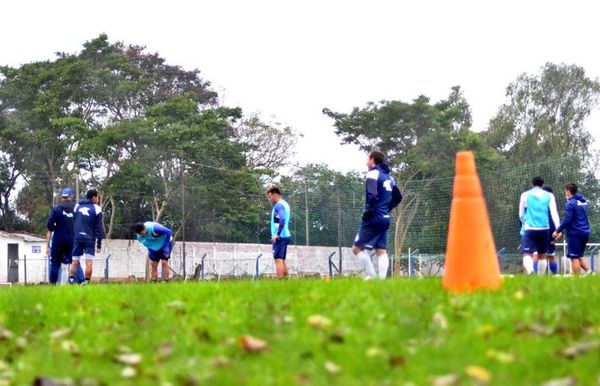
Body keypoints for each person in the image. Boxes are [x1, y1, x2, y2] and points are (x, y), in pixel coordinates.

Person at [352, 150, 402, 279]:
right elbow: (398, 197)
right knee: (381, 251)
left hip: (373, 217)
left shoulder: (372, 174)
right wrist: (386, 209)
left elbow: (372, 195)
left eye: (367, 159)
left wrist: (368, 212)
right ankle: (381, 281)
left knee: (356, 249)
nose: (366, 162)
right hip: (385, 218)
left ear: (372, 160)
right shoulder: (390, 178)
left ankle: (373, 278)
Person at [519, 177, 560, 275]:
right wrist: (558, 228)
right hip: (544, 228)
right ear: (542, 185)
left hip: (529, 228)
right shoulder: (549, 195)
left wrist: (524, 223)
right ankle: (541, 278)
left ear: (532, 184)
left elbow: (521, 214)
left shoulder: (525, 195)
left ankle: (531, 271)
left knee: (527, 253)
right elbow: (554, 213)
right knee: (542, 254)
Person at [45, 188, 83, 284]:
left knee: (55, 263)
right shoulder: (76, 209)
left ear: (62, 196)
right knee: (75, 262)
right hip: (72, 240)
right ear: (71, 196)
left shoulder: (56, 209)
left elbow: (49, 225)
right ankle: (82, 282)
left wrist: (56, 228)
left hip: (58, 239)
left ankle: (52, 284)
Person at [553, 183, 591, 275]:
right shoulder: (583, 201)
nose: (565, 193)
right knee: (578, 256)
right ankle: (590, 273)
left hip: (575, 233)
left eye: (565, 191)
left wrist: (558, 230)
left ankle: (576, 280)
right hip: (585, 232)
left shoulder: (571, 203)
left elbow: (567, 219)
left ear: (568, 191)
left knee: (574, 257)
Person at [68, 189, 103, 285]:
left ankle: (71, 281)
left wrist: (74, 236)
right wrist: (99, 243)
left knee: (75, 261)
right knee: (89, 262)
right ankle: (86, 283)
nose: (98, 200)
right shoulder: (97, 208)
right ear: (94, 197)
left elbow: (73, 222)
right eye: (97, 197)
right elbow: (99, 227)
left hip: (77, 238)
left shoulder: (77, 206)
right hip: (90, 239)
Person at [266, 186, 291, 278]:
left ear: (275, 194)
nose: (269, 199)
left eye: (270, 197)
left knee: (278, 260)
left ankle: (280, 282)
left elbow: (282, 219)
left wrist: (277, 234)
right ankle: (285, 283)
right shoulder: (285, 204)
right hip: (286, 235)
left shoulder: (278, 206)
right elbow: (279, 221)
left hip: (280, 237)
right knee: (282, 260)